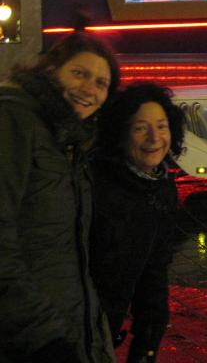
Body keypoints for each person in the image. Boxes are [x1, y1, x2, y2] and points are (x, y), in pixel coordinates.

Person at [0, 33, 119, 363]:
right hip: (29, 339)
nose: (89, 89)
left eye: (101, 83)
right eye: (79, 73)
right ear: (50, 71)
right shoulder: (14, 119)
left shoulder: (67, 140)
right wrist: (44, 339)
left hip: (67, 326)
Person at [90, 83, 182, 363]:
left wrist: (147, 344)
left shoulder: (161, 186)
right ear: (120, 134)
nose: (154, 138)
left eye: (162, 126)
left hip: (106, 329)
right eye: (140, 128)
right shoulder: (96, 186)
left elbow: (154, 269)